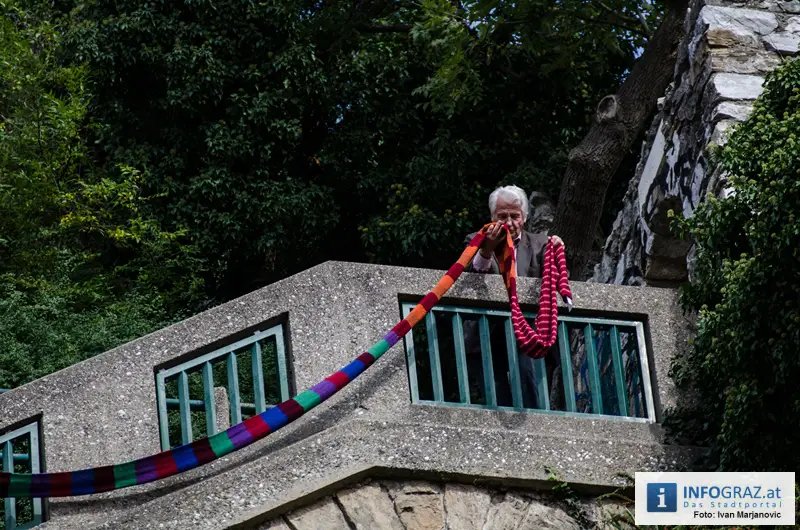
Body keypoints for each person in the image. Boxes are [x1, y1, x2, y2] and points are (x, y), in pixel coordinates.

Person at [461, 185, 565, 410]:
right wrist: (486, 250)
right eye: (502, 216)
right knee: (496, 399)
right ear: (492, 217)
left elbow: (557, 279)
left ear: (525, 217)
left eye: (515, 216)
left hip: (527, 332)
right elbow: (469, 278)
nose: (509, 221)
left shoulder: (541, 243)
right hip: (486, 333)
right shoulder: (475, 239)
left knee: (530, 390)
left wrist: (558, 251)